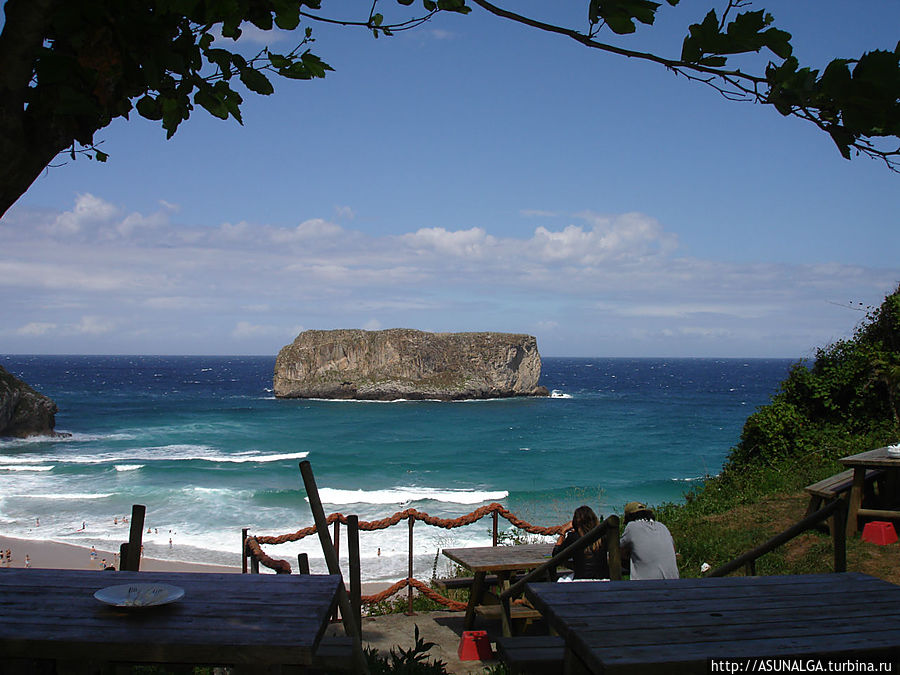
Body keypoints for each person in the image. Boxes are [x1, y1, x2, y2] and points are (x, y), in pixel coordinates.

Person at [619, 501, 679, 580]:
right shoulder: (662, 526)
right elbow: (673, 550)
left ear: (628, 517)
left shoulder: (632, 527)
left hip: (647, 586)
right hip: (674, 583)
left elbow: (618, 551)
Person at [552, 505, 610, 580]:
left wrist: (563, 532)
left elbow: (556, 555)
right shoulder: (602, 537)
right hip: (603, 580)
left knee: (561, 579)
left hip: (582, 580)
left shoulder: (574, 537)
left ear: (576, 522)